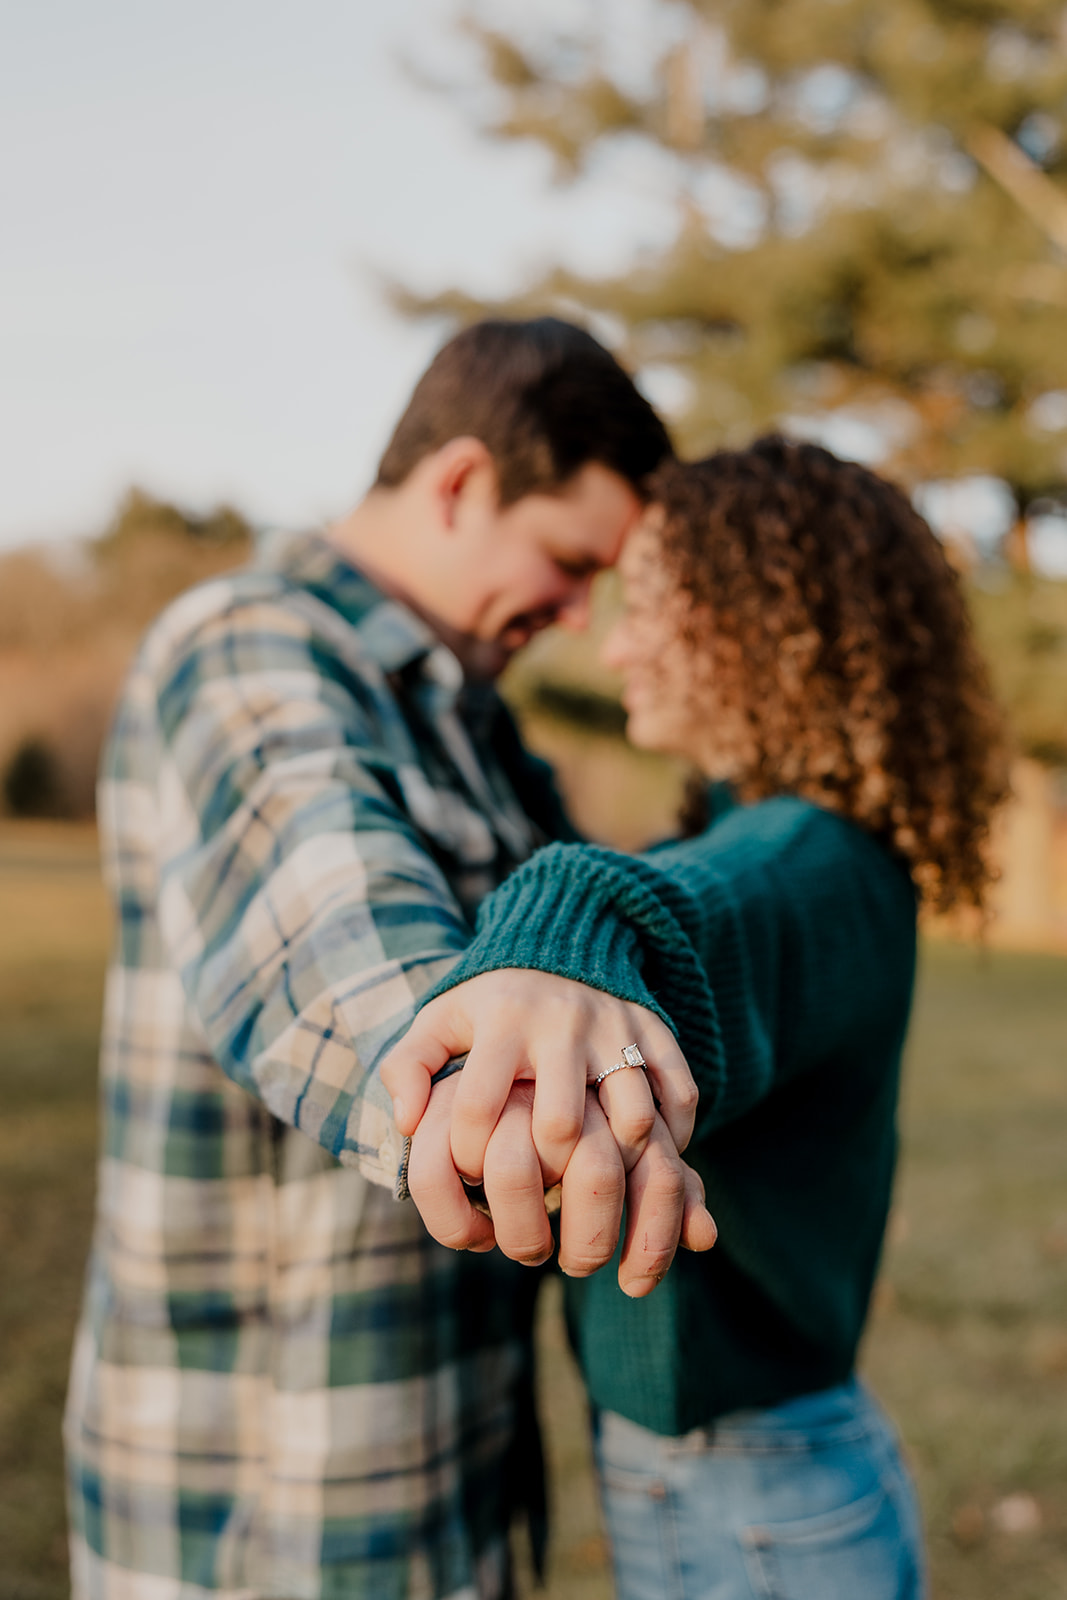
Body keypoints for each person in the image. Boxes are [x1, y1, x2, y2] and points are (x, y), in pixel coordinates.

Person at [63, 317, 715, 1600]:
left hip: (448, 1466)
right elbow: (334, 925)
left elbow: (583, 926)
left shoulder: (471, 718)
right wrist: (524, 1113)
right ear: (463, 483)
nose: (579, 614)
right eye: (570, 562)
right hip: (269, 1498)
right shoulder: (251, 642)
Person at [385, 437, 1009, 1600]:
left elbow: (694, 916)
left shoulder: (809, 857)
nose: (613, 643)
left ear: (760, 624)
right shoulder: (780, 833)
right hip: (761, 1479)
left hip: (750, 1502)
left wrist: (566, 907)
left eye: (652, 609)